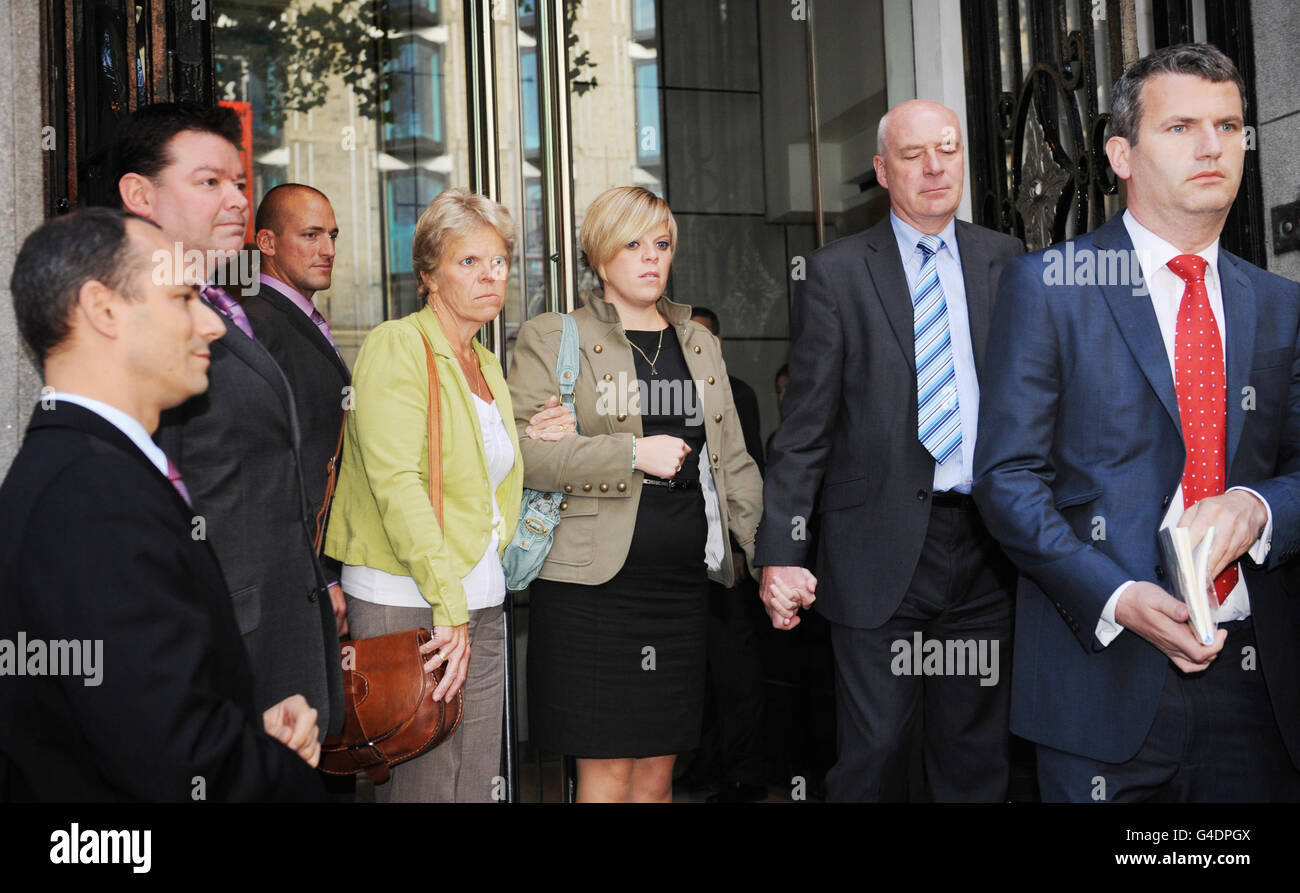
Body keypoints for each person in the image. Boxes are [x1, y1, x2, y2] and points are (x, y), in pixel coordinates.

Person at [973, 43, 1300, 801]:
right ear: (1120, 153)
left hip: (1257, 686)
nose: (1212, 146)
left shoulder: (1280, 305)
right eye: (1181, 126)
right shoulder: (1049, 287)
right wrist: (1118, 596)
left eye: (1228, 125)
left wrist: (1258, 507)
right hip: (1102, 678)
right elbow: (1008, 480)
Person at [0, 208, 323, 801]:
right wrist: (280, 775)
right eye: (181, 298)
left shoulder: (93, 471)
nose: (214, 325)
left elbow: (141, 711)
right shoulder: (91, 499)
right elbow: (171, 757)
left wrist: (248, 738)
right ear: (103, 310)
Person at [754, 100, 1023, 802]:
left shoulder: (1006, 260)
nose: (935, 166)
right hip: (877, 547)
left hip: (989, 548)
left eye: (948, 147)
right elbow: (804, 431)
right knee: (875, 753)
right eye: (913, 154)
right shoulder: (835, 274)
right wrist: (782, 549)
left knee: (975, 759)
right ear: (881, 170)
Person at [510, 185, 764, 803]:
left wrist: (770, 558)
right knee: (606, 774)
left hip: (679, 589)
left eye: (662, 244)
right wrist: (631, 454)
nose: (652, 258)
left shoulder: (697, 342)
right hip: (589, 591)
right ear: (600, 257)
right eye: (633, 245)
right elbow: (527, 456)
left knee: (656, 775)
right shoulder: (554, 336)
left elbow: (735, 464)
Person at [109, 102, 344, 740]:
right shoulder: (129, 324)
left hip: (281, 647)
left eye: (240, 182)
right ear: (140, 194)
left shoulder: (222, 306)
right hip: (219, 662)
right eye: (209, 182)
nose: (238, 199)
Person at [324, 188, 562, 802]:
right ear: (428, 274)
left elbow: (474, 476)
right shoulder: (397, 345)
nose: (490, 276)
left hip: (479, 598)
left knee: (480, 782)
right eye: (469, 262)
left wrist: (531, 439)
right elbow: (398, 482)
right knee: (425, 784)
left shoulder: (484, 361)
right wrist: (446, 605)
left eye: (500, 262)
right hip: (411, 601)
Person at [245, 183, 351, 636]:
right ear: (267, 243)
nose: (327, 249)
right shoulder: (257, 324)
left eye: (332, 235)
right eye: (310, 235)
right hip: (297, 575)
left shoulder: (296, 318)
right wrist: (318, 573)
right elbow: (270, 463)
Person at [682, 305, 769, 802]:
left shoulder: (737, 393)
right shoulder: (664, 389)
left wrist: (743, 547)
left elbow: (747, 472)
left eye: (705, 341)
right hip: (679, 555)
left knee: (735, 668)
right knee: (698, 669)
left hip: (726, 557)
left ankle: (743, 772)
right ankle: (706, 761)